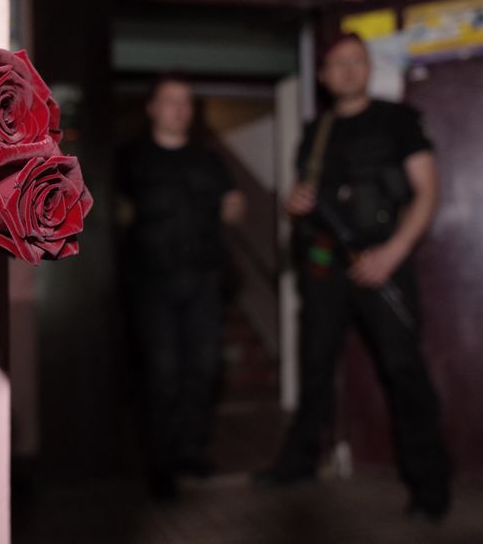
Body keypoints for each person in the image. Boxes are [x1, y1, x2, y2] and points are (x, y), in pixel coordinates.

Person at [256, 33, 451, 521]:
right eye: (337, 63)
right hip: (326, 265)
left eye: (356, 62)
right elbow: (304, 195)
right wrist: (292, 204)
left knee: (404, 371)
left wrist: (393, 253)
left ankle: (430, 488)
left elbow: (427, 191)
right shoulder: (314, 130)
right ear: (322, 76)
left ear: (368, 69)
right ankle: (299, 462)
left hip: (384, 261)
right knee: (314, 366)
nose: (347, 70)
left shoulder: (398, 120)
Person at [116, 74, 245, 500]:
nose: (180, 109)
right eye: (172, 101)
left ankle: (191, 451)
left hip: (205, 281)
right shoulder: (130, 158)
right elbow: (110, 215)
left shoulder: (209, 158)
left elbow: (232, 204)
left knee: (203, 370)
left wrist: (234, 207)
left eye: (187, 102)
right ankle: (161, 464)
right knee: (161, 374)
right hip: (151, 283)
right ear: (152, 107)